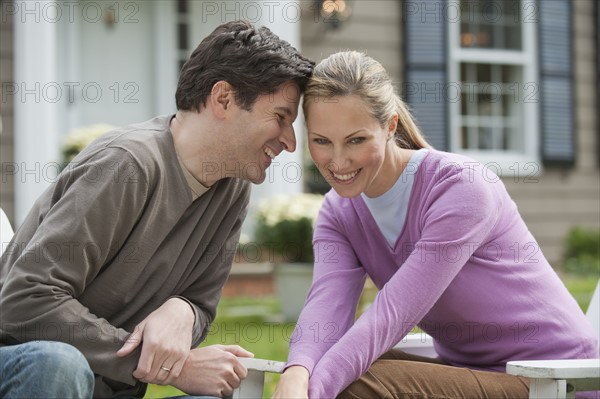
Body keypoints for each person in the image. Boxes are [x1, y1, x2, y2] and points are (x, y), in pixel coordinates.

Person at [0, 20, 313, 399]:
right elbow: (23, 299)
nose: (290, 142)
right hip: (27, 367)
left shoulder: (233, 190)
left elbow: (201, 305)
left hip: (107, 389)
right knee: (60, 364)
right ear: (224, 99)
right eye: (280, 117)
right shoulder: (127, 165)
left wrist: (183, 309)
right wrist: (172, 367)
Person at [272, 51, 599, 399]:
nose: (337, 162)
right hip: (471, 373)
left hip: (557, 379)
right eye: (322, 141)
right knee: (325, 367)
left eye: (356, 140)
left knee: (352, 383)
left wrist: (312, 391)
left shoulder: (461, 188)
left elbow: (394, 313)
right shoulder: (339, 213)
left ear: (390, 127)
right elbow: (326, 306)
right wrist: (298, 371)